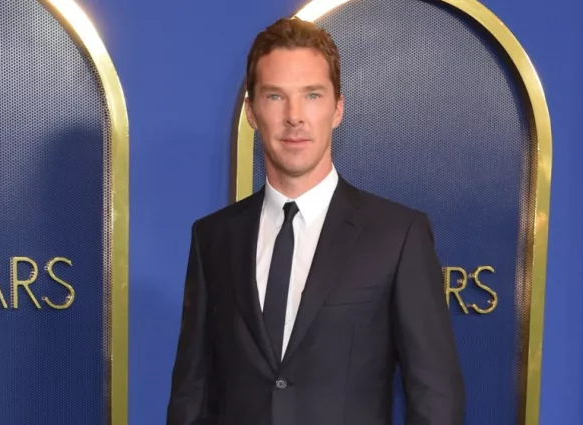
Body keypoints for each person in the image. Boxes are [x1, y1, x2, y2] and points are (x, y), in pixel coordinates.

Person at [166, 16, 464, 425]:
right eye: (275, 97)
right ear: (252, 112)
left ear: (337, 108)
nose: (294, 117)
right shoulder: (213, 238)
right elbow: (190, 395)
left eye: (311, 95)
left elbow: (435, 398)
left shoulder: (398, 235)